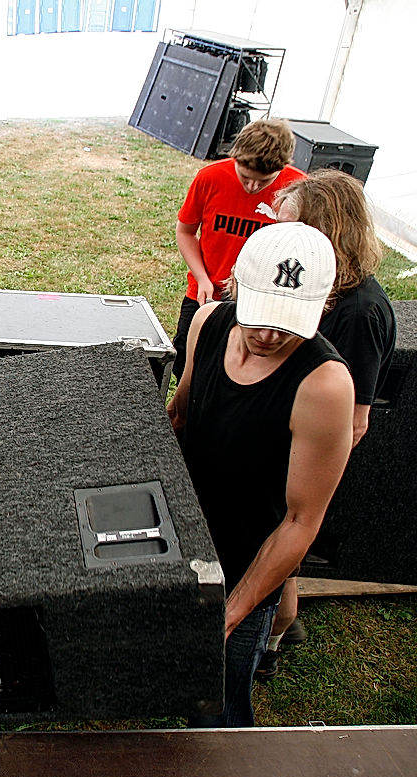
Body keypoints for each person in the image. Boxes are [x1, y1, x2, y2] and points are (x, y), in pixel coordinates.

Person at [167, 222, 354, 727]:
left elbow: (300, 520)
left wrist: (232, 611)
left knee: (220, 709)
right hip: (181, 537)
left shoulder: (325, 385)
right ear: (235, 286)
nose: (269, 335)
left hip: (248, 563)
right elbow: (180, 417)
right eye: (261, 316)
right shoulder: (207, 323)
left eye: (289, 323)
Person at [256, 169, 398, 680]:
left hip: (299, 459)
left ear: (326, 233)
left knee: (279, 566)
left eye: (291, 228)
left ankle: (267, 646)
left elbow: (353, 421)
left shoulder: (360, 314)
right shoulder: (322, 289)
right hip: (279, 441)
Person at [172, 118, 306, 380]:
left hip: (263, 297)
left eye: (264, 181)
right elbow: (186, 231)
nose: (253, 187)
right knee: (186, 359)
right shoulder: (209, 177)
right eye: (245, 177)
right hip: (207, 291)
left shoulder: (299, 188)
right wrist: (201, 278)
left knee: (245, 367)